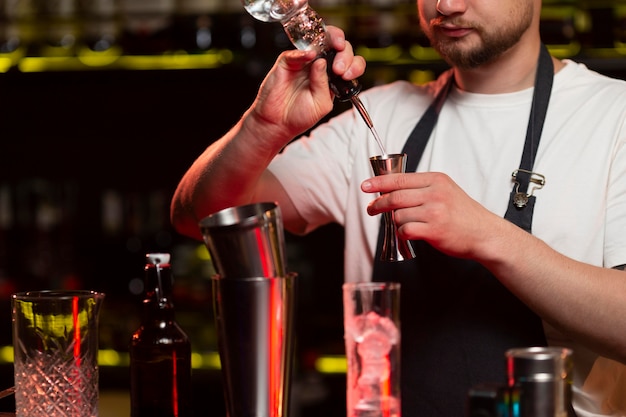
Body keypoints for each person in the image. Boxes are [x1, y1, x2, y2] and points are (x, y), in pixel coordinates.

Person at [170, 0, 626, 415]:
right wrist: (264, 126)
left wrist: (490, 237)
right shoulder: (382, 116)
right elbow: (200, 217)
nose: (446, 5)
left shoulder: (612, 117)